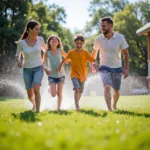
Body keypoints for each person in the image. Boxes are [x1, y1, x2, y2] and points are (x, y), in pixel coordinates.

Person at [90, 17, 129, 111]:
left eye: (104, 26)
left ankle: (114, 104)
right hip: (104, 67)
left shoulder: (120, 37)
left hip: (117, 68)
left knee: (116, 91)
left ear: (110, 26)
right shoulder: (98, 39)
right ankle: (109, 109)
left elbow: (126, 54)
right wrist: (91, 64)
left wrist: (126, 68)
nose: (102, 28)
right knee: (107, 87)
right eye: (101, 26)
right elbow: (94, 53)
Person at [57, 34, 95, 111]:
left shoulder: (85, 52)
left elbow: (93, 60)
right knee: (77, 89)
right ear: (74, 43)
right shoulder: (71, 52)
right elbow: (65, 59)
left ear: (83, 44)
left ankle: (75, 103)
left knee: (81, 91)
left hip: (83, 75)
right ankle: (77, 106)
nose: (79, 45)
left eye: (81, 43)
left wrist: (92, 66)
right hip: (74, 74)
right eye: (77, 43)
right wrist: (60, 67)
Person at [15, 20, 46, 112]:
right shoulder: (22, 42)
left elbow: (46, 51)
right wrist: (19, 61)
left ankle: (38, 111)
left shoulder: (40, 39)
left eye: (39, 29)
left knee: (36, 88)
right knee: (30, 95)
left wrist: (44, 62)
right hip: (27, 70)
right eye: (36, 29)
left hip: (38, 68)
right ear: (30, 29)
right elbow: (17, 54)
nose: (38, 31)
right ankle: (34, 104)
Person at [43, 35, 68, 110]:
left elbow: (67, 59)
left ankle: (58, 108)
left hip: (61, 75)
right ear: (49, 42)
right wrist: (46, 70)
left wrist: (61, 64)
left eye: (56, 39)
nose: (54, 40)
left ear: (58, 43)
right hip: (52, 75)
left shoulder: (60, 50)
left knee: (59, 93)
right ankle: (49, 89)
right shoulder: (47, 52)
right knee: (53, 95)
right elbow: (43, 63)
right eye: (52, 39)